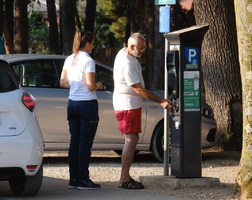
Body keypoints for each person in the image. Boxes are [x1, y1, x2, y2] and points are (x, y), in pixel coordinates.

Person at [113, 32, 172, 190]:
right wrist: (161, 101)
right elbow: (138, 89)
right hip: (128, 105)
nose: (143, 51)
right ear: (131, 47)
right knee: (131, 140)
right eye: (141, 48)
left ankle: (125, 176)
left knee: (132, 139)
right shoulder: (127, 63)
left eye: (144, 47)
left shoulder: (125, 53)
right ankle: (124, 179)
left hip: (130, 104)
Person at [60, 31, 103, 190]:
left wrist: (77, 85)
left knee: (74, 142)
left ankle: (73, 180)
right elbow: (91, 85)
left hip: (72, 103)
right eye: (93, 43)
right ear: (88, 43)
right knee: (85, 143)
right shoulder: (88, 61)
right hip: (87, 104)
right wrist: (99, 85)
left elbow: (63, 82)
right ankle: (83, 179)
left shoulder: (69, 59)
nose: (93, 45)